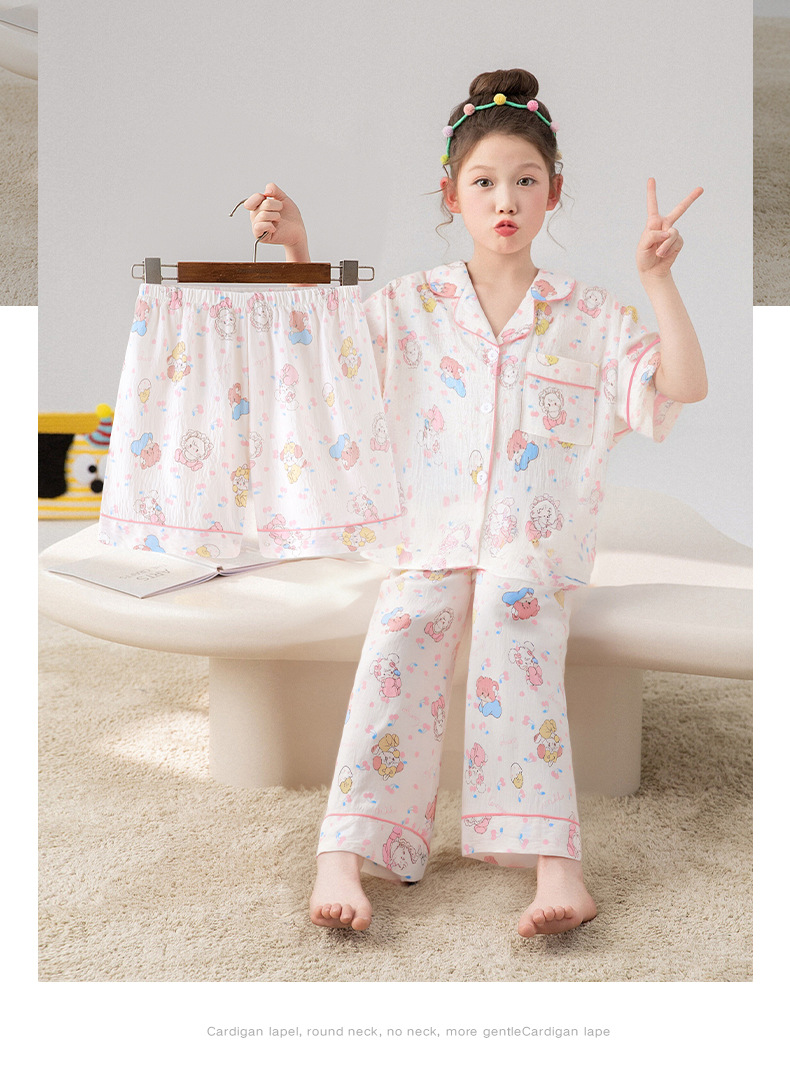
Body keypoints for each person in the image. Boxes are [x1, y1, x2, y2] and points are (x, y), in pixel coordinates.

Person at [244, 68, 708, 938]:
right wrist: (302, 251)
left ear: (553, 193)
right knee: (408, 623)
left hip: (531, 551)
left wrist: (657, 280)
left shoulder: (590, 316)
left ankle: (557, 866)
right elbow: (325, 365)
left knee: (510, 610)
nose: (506, 200)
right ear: (451, 193)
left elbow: (681, 386)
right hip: (427, 539)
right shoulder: (409, 306)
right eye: (485, 181)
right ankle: (345, 850)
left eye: (526, 181)